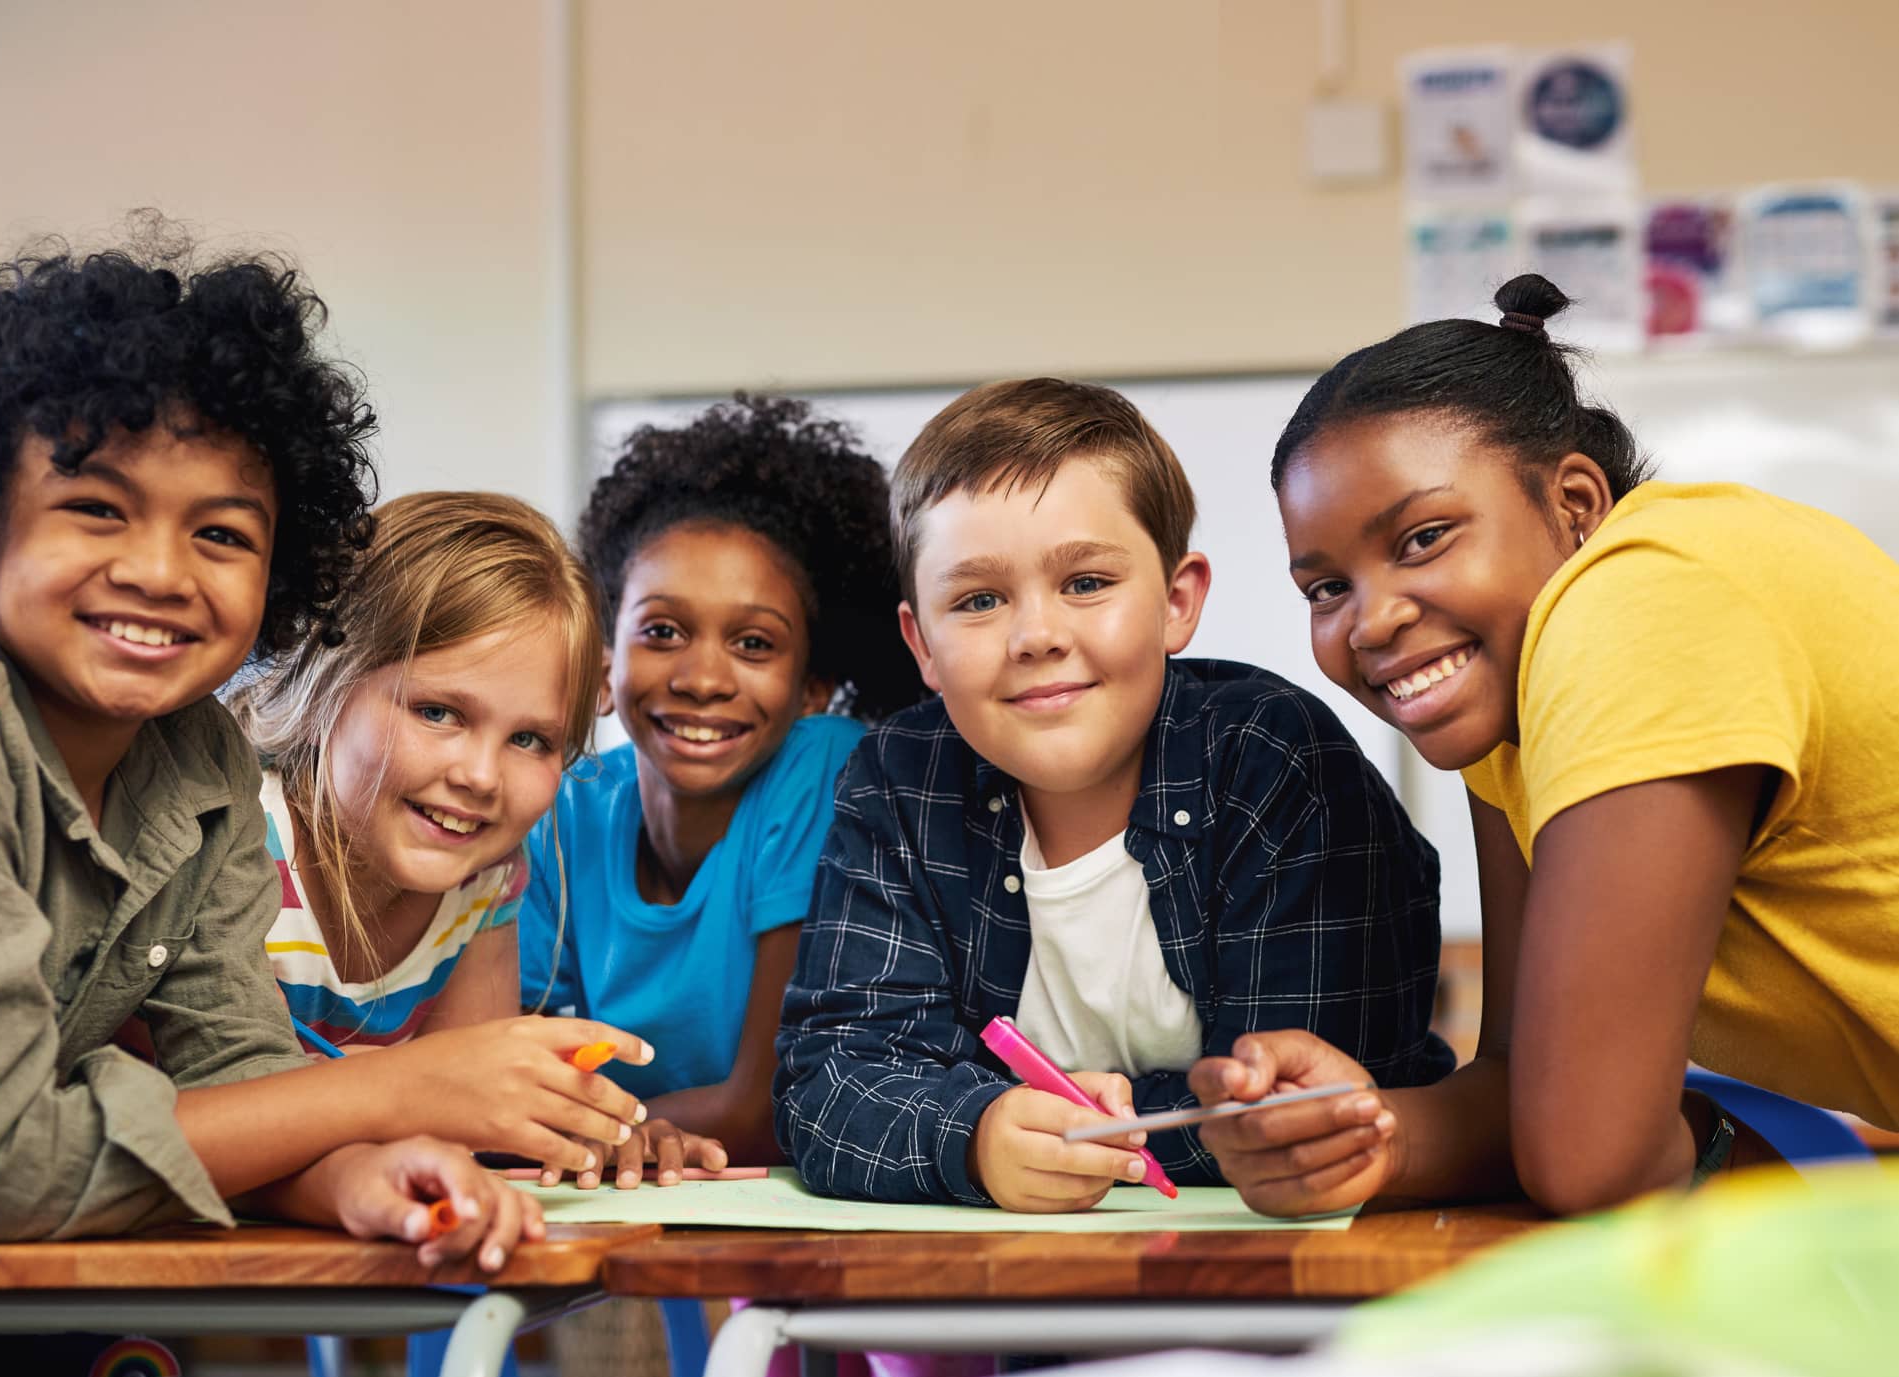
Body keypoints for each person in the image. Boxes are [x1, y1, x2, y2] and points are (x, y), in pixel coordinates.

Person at [0, 229, 551, 1270]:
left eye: (222, 534)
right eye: (95, 508)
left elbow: (236, 1071)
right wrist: (401, 1086)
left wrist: (358, 1175)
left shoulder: (201, 762)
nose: (158, 570)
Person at [1200, 272, 1899, 1217]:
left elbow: (1585, 1156)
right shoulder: (1516, 716)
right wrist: (1356, 1134)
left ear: (1574, 503)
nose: (1369, 623)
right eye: (1325, 588)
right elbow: (1522, 1088)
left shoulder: (1641, 600)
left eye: (1422, 538)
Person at [775, 376, 1451, 1212]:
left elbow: (1308, 1101)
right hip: (1012, 1279)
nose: (1037, 637)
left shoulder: (1272, 757)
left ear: (1175, 601)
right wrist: (977, 1137)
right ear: (921, 643)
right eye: (978, 600)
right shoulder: (897, 777)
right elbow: (830, 1081)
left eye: (1086, 583)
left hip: (1304, 1274)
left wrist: (1074, 1131)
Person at [519, 394, 921, 1187]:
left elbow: (767, 1105)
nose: (702, 678)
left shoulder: (822, 772)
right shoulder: (564, 811)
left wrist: (587, 1129)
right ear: (605, 663)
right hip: (647, 1189)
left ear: (813, 688)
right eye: (662, 631)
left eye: (753, 643)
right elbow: (505, 1082)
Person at [235, 490, 653, 1177]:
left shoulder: (484, 877)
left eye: (529, 738)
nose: (482, 776)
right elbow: (211, 1106)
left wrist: (599, 1130)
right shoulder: (240, 840)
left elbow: (468, 1120)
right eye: (437, 712)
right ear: (326, 680)